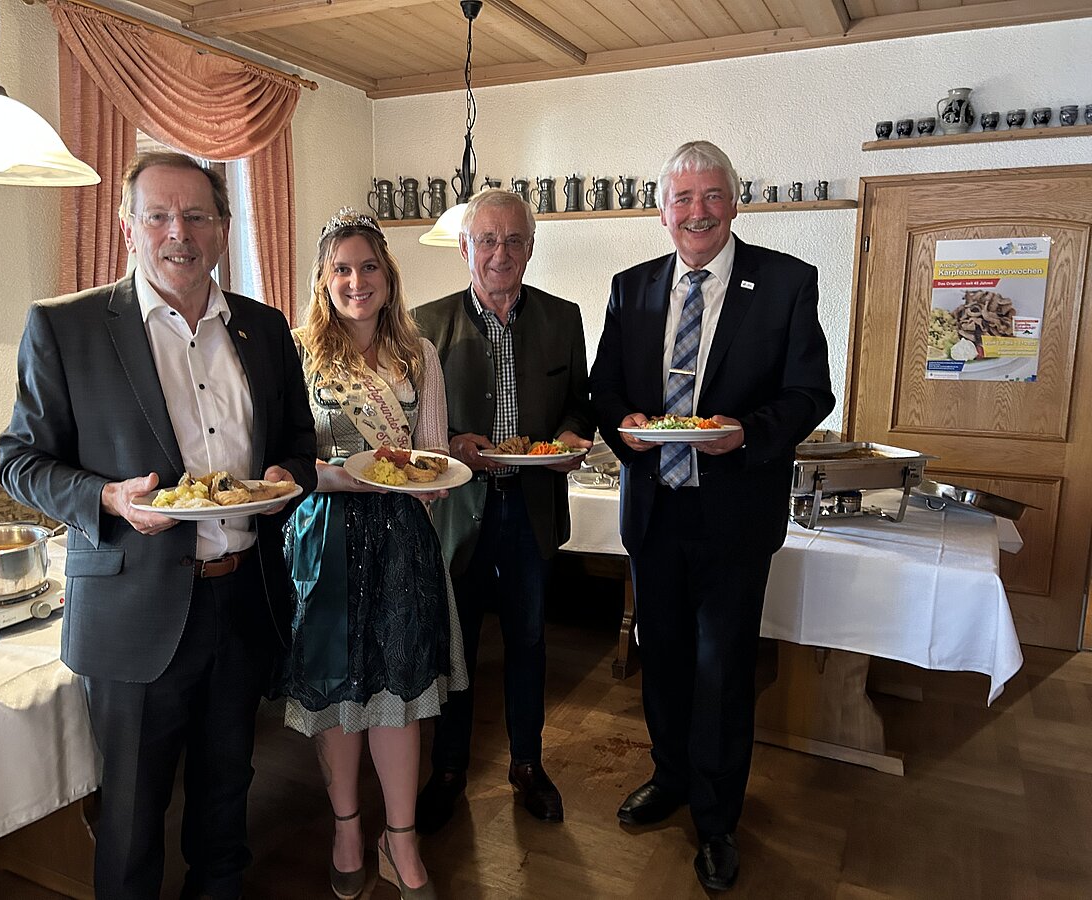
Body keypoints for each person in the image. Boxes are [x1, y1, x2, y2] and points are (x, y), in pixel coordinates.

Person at [0, 151, 318, 900]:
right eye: (160, 215)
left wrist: (285, 480)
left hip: (242, 602)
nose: (181, 231)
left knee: (225, 798)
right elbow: (20, 461)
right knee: (133, 819)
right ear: (128, 227)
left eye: (198, 215)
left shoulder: (266, 330)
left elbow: (299, 448)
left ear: (224, 226)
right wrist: (109, 499)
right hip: (133, 612)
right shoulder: (65, 326)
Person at [588, 141, 834, 892]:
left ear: (735, 201)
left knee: (722, 671)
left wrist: (746, 435)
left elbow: (808, 394)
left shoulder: (787, 283)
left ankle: (718, 819)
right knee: (660, 659)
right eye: (682, 199)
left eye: (711, 196)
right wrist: (622, 424)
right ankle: (670, 778)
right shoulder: (630, 288)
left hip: (734, 515)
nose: (697, 211)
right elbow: (603, 391)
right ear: (662, 212)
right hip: (655, 511)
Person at [269, 208, 466, 900]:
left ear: (389, 275)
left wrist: (429, 481)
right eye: (342, 269)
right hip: (325, 540)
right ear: (322, 280)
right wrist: (342, 475)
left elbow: (433, 457)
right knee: (338, 695)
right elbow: (284, 462)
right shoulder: (296, 353)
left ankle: (401, 839)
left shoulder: (419, 353)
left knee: (402, 695)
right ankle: (348, 827)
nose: (357, 281)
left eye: (369, 267)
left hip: (402, 542)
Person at [413, 188, 593, 831]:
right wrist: (452, 445)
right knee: (454, 646)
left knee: (530, 643)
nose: (500, 253)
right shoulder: (424, 325)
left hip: (533, 509)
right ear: (464, 248)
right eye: (486, 240)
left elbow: (580, 402)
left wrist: (572, 435)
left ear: (531, 247)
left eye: (513, 239)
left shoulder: (563, 318)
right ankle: (450, 769)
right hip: (460, 513)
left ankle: (526, 764)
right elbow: (413, 431)